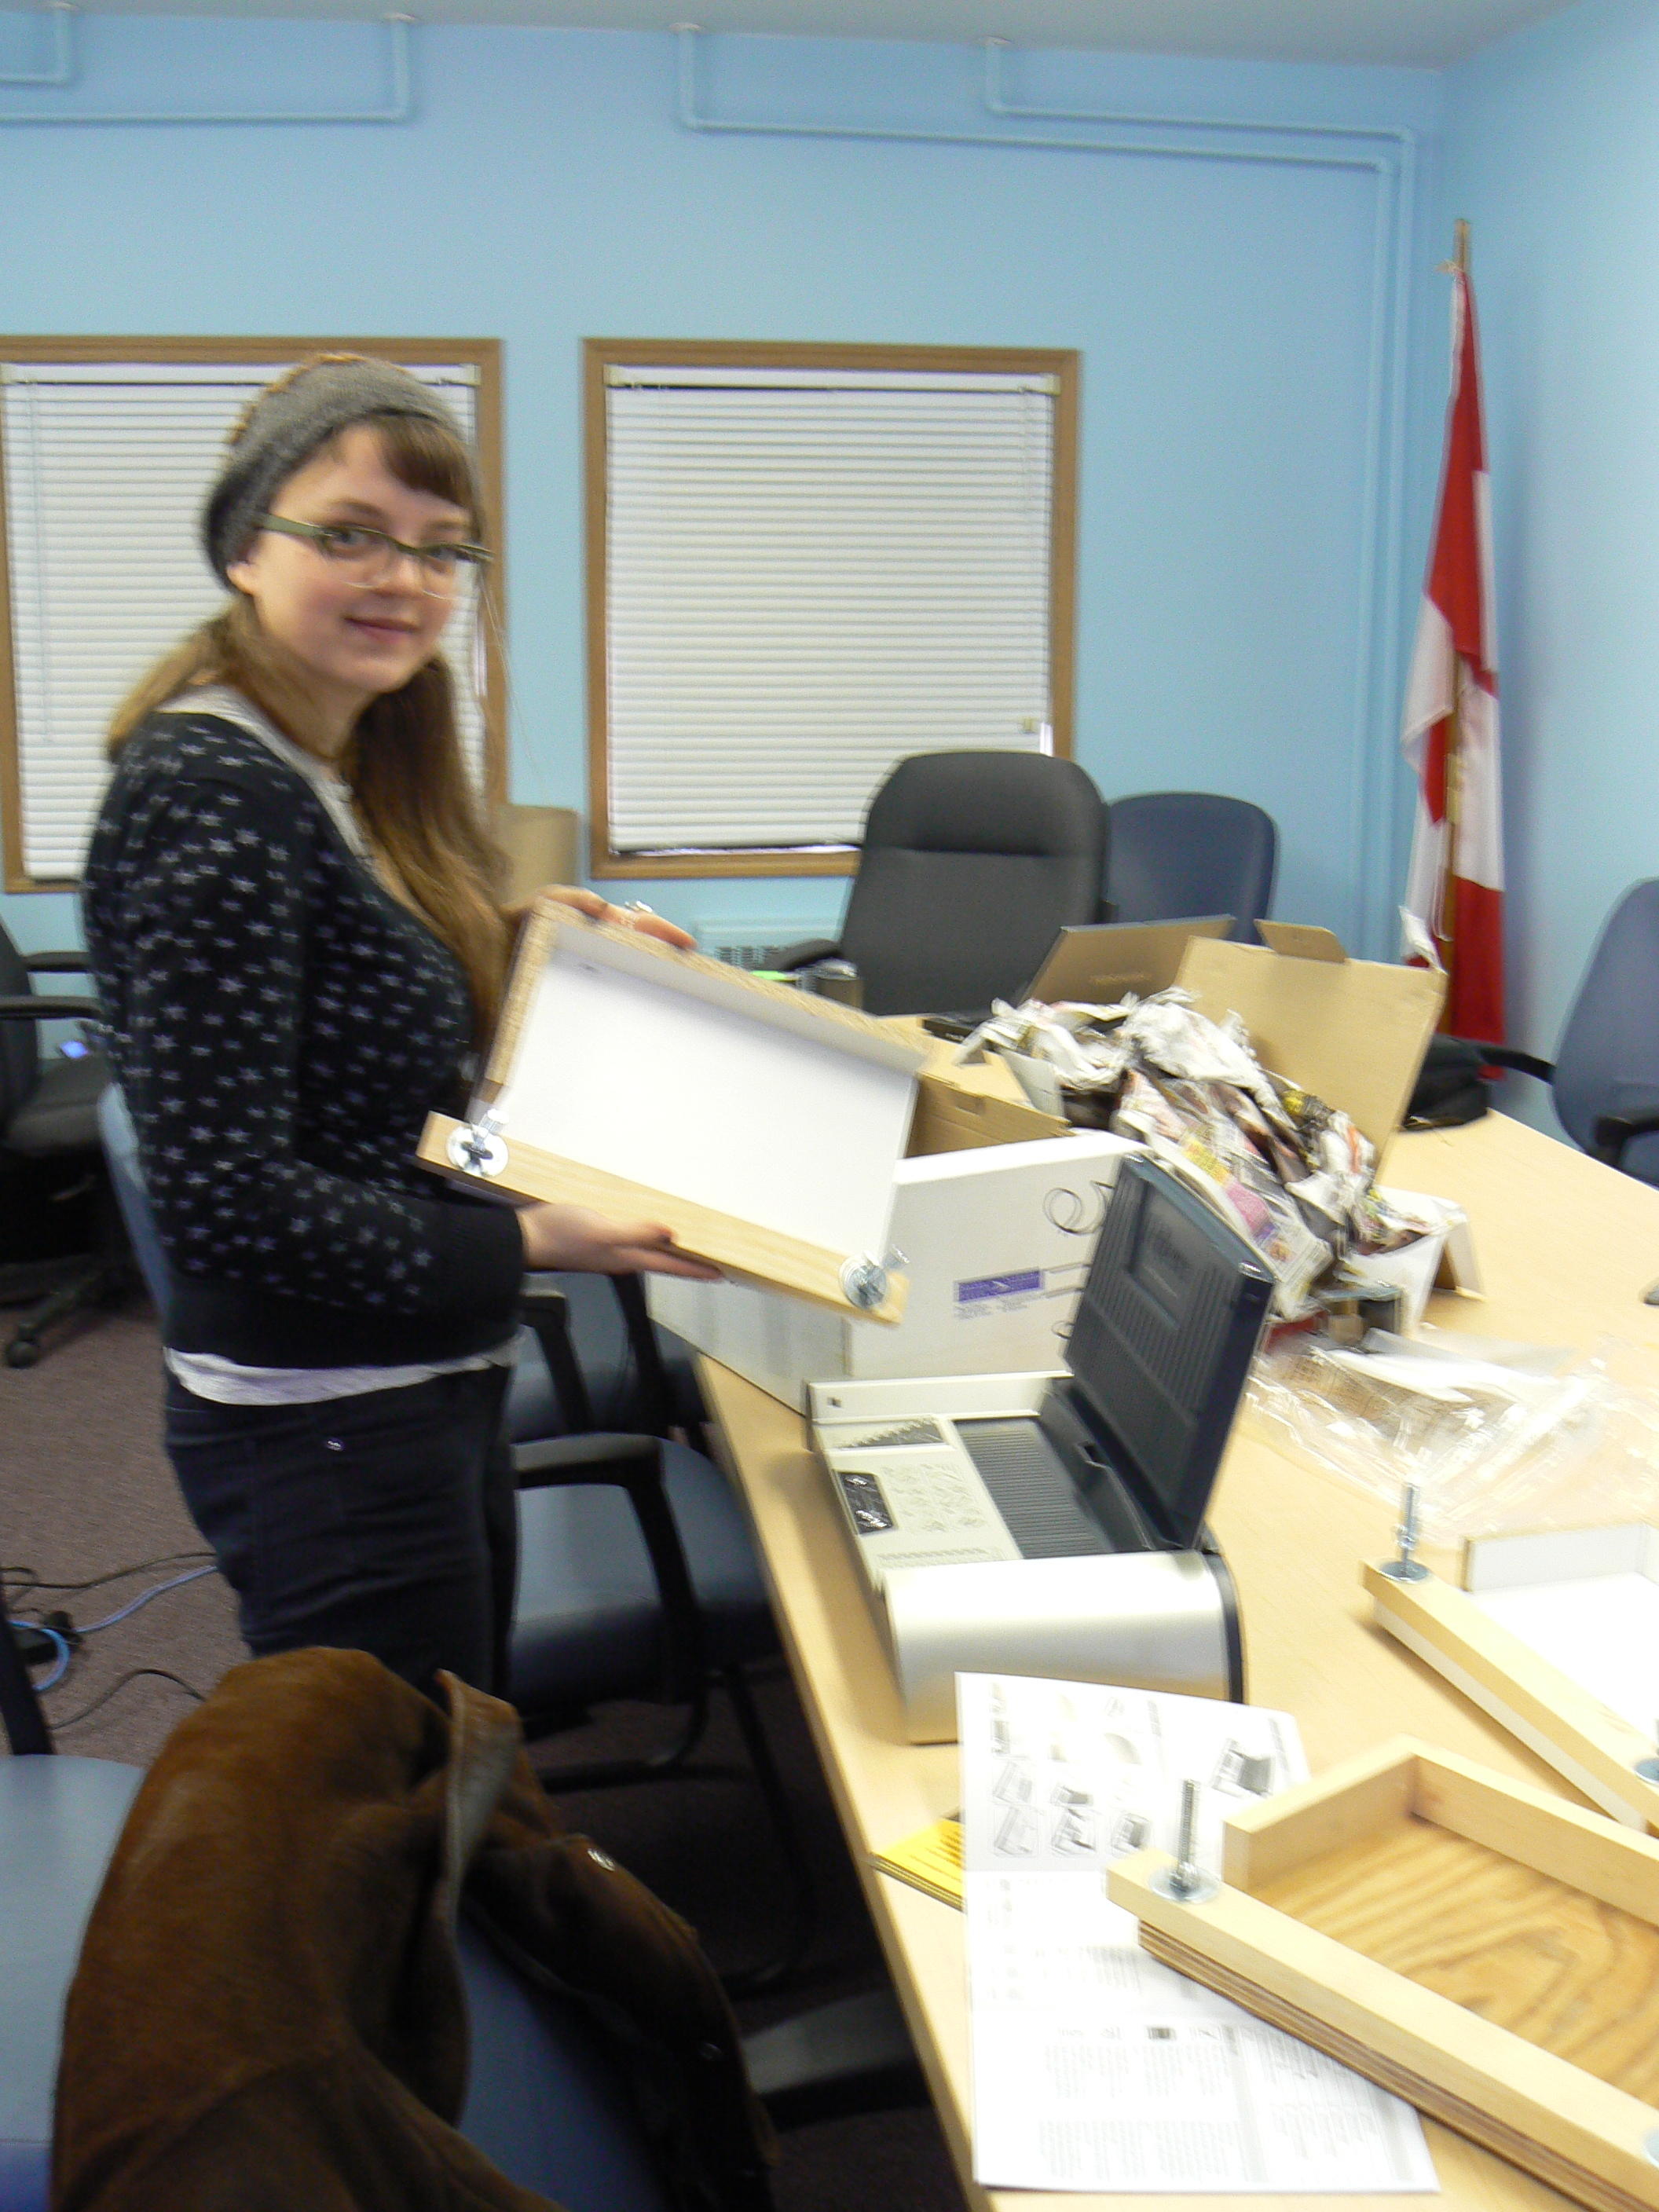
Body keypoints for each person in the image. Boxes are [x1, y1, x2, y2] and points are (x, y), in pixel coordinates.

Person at [82, 354, 717, 1699]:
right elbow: (225, 1200)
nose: (404, 580)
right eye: (350, 534)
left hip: (413, 1373)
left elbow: (344, 1023)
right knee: (403, 1793)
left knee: (457, 1760)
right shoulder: (216, 789)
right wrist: (535, 1241)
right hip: (330, 1427)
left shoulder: (334, 761)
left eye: (441, 549)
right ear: (246, 547)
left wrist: (522, 940)